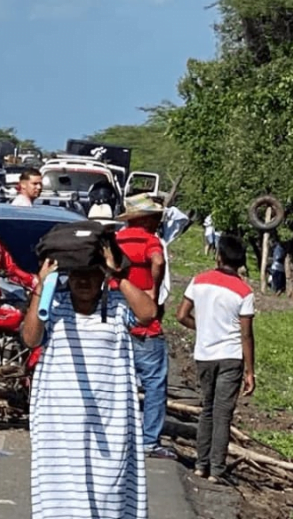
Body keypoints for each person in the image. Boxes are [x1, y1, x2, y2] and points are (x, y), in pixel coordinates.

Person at [22, 242, 157, 518]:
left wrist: (117, 277)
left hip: (110, 421)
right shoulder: (55, 304)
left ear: (101, 277)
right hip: (61, 422)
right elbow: (30, 338)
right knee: (61, 490)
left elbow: (148, 314)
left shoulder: (118, 306)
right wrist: (41, 286)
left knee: (110, 490)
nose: (83, 280)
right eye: (76, 274)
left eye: (91, 273)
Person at [176, 235, 256, 484]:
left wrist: (204, 328)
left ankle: (201, 465)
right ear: (241, 262)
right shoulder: (245, 291)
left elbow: (181, 315)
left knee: (207, 410)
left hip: (204, 355)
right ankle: (217, 470)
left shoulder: (199, 281)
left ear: (218, 256)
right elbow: (246, 334)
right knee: (223, 414)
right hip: (231, 358)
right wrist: (250, 371)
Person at [115, 194, 175, 460]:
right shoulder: (150, 241)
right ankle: (149, 440)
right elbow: (158, 262)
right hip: (144, 321)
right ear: (147, 219)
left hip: (117, 315)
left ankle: (118, 434)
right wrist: (153, 288)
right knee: (154, 382)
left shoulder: (115, 241)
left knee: (119, 380)